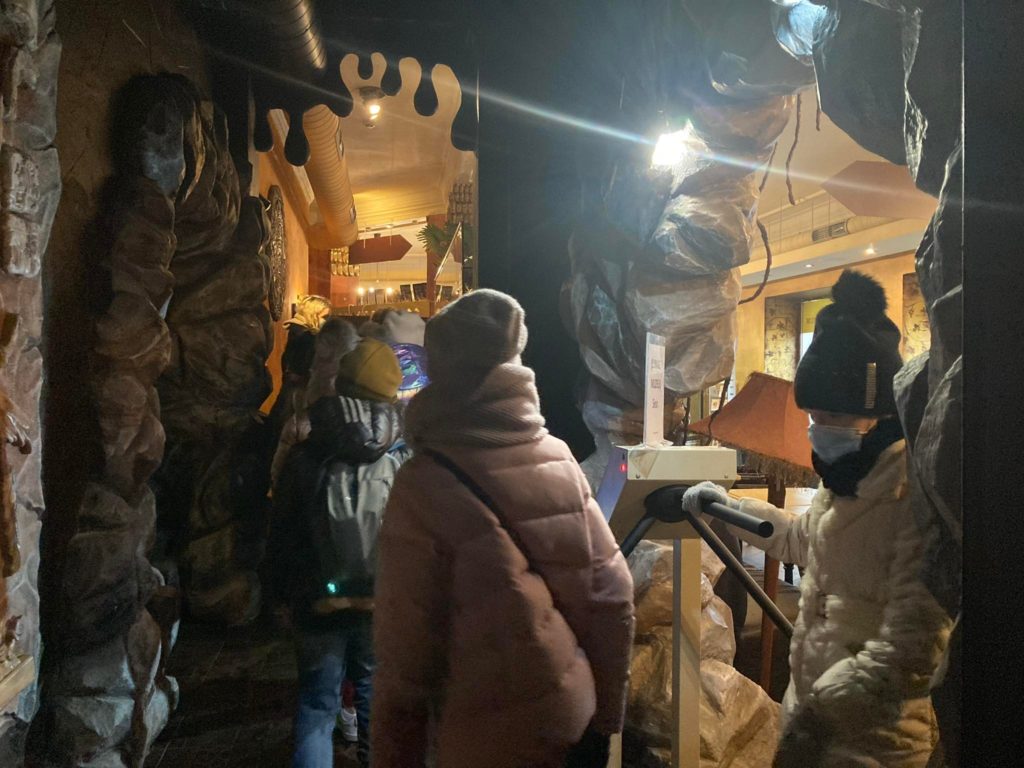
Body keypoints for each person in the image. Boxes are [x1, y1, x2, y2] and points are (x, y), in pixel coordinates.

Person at [682, 270, 952, 768]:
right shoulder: (846, 478)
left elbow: (914, 647)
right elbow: (799, 540)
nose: (820, 429)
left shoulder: (912, 492)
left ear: (878, 414)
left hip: (877, 740)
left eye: (835, 417)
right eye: (815, 416)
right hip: (813, 716)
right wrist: (725, 505)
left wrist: (824, 710)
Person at [371, 289, 635, 768]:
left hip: (480, 739)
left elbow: (403, 655)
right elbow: (610, 596)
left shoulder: (421, 484)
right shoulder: (558, 459)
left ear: (438, 367)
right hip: (568, 720)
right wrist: (605, 724)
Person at [267, 338, 406, 768]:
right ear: (391, 395)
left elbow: (281, 532)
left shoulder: (306, 454)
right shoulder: (403, 457)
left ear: (339, 386)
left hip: (317, 597)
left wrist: (278, 595)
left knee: (316, 704)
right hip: (382, 599)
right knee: (374, 697)